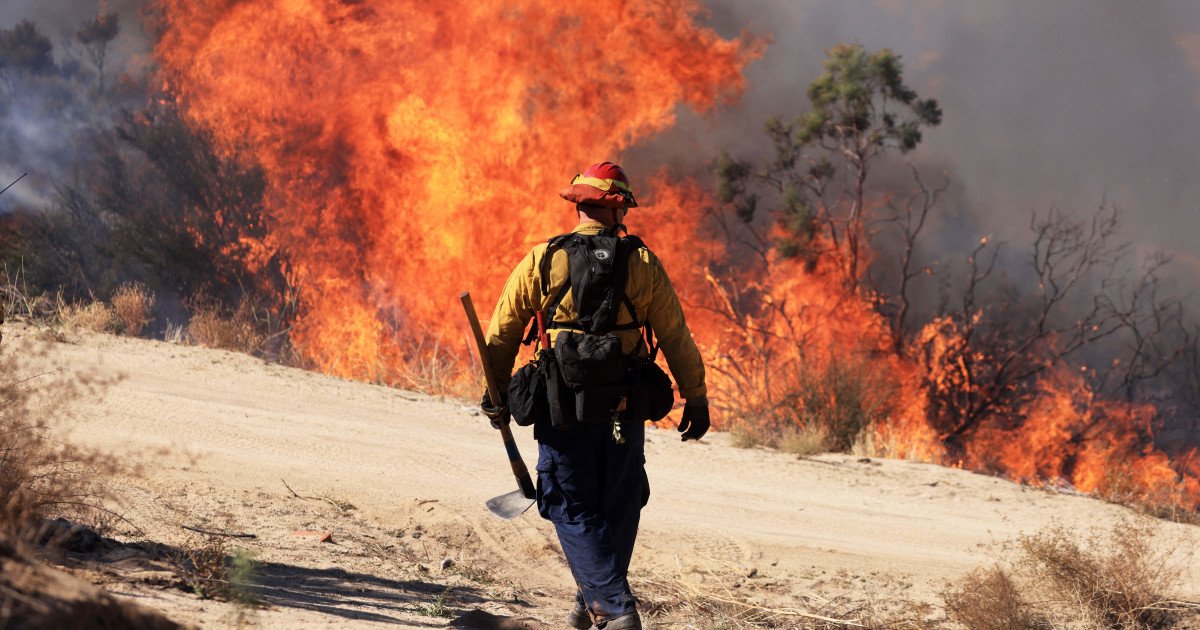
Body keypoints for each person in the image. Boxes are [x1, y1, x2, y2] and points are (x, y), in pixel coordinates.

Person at [480, 162, 709, 629]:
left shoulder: (544, 258)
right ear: (619, 207)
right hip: (624, 408)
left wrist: (495, 392)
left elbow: (502, 332)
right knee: (619, 499)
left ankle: (614, 608)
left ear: (579, 205)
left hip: (561, 405)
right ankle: (594, 599)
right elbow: (675, 336)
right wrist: (696, 396)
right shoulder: (643, 263)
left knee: (570, 501)